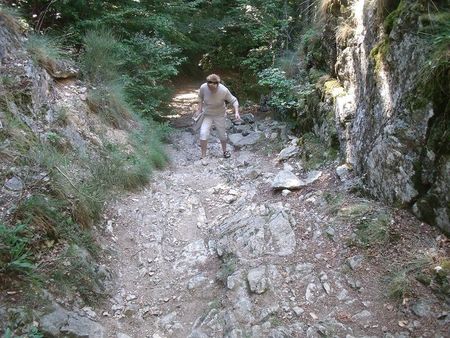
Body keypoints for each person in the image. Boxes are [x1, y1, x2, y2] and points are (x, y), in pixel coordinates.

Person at [196, 74, 240, 160]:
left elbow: (234, 100)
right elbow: (200, 97)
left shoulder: (223, 90)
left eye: (214, 88)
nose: (212, 90)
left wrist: (237, 112)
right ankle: (203, 155)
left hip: (220, 114)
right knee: (203, 133)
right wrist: (199, 110)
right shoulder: (203, 87)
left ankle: (225, 151)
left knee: (222, 135)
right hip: (207, 114)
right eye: (210, 88)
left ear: (218, 84)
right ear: (207, 84)